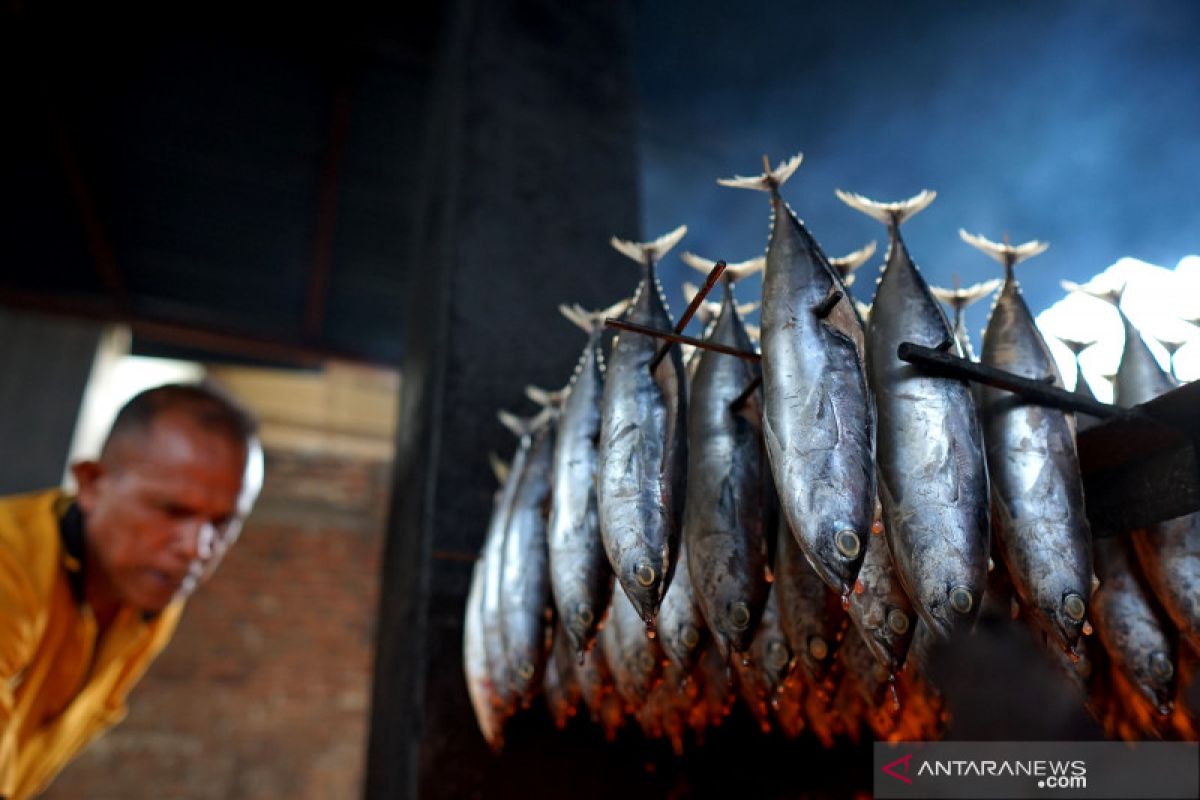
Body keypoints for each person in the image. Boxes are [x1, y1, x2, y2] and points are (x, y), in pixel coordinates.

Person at [0, 382, 263, 799]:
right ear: (91, 483)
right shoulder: (9, 562)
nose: (195, 549)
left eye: (222, 524)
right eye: (172, 510)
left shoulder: (148, 605)